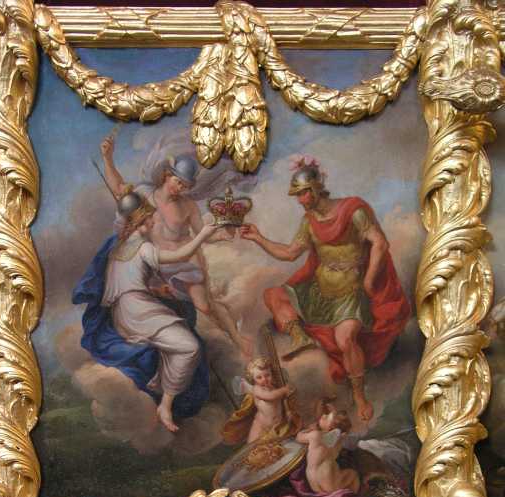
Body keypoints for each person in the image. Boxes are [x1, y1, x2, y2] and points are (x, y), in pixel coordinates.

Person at [239, 157, 410, 422]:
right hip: (319, 290)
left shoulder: (353, 211)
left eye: (302, 193)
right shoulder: (309, 222)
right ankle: (300, 337)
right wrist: (258, 238)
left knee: (346, 340)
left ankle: (359, 395)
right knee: (273, 295)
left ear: (316, 189)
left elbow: (379, 243)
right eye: (297, 195)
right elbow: (290, 253)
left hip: (350, 293)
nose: (300, 200)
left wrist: (369, 280)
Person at [73, 190, 224, 433]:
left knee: (178, 340)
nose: (154, 221)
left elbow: (124, 284)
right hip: (139, 312)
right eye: (151, 217)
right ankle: (165, 404)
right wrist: (203, 234)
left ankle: (162, 389)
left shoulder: (116, 250)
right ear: (141, 221)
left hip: (125, 313)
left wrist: (155, 290)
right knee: (190, 347)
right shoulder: (143, 247)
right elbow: (180, 255)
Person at [100, 136, 252, 358]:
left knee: (205, 306)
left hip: (187, 261)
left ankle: (237, 339)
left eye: (185, 186)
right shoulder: (144, 194)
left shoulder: (188, 205)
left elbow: (203, 234)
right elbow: (118, 189)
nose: (179, 188)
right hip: (156, 263)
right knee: (154, 305)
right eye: (177, 182)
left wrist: (225, 235)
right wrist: (107, 158)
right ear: (167, 175)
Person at [221, 356, 298, 445]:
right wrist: (284, 390)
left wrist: (287, 410)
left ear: (271, 374)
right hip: (261, 424)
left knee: (275, 444)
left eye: (267, 375)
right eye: (259, 377)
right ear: (253, 379)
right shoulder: (257, 389)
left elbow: (282, 400)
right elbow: (269, 396)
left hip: (276, 424)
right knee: (253, 445)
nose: (264, 379)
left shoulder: (274, 387)